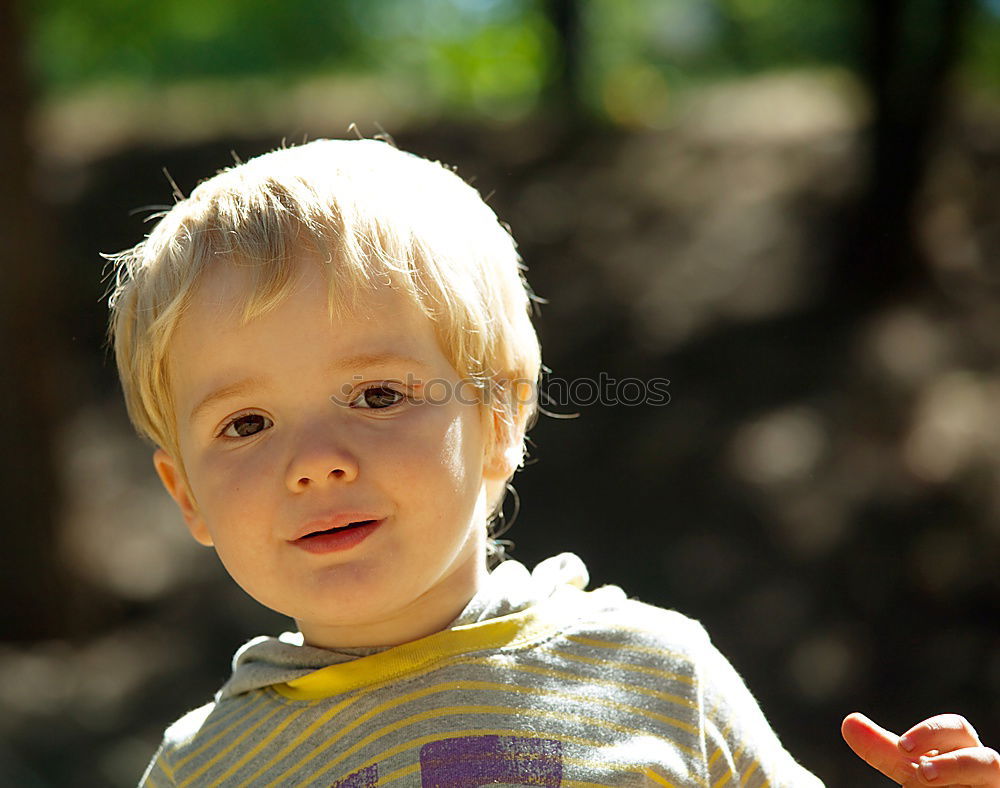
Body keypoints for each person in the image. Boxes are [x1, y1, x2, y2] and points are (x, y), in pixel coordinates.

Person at [107, 138, 996, 786]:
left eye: (378, 396)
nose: (315, 464)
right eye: (248, 423)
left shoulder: (654, 675)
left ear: (498, 418)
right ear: (186, 495)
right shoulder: (203, 770)